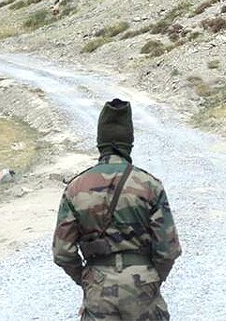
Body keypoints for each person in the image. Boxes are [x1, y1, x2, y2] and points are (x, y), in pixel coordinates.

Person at [53, 99, 181, 320]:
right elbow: (168, 250)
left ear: (100, 143)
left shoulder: (75, 188)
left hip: (97, 286)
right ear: (129, 142)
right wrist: (151, 278)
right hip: (143, 286)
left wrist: (87, 279)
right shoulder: (149, 185)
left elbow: (63, 252)